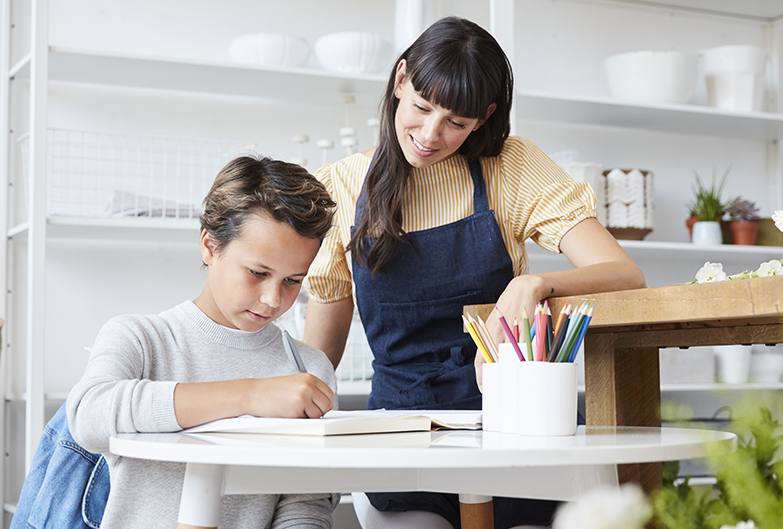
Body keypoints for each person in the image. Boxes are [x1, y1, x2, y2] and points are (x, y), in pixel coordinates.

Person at [302, 16, 646, 529]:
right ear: (400, 82)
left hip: (520, 432)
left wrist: (535, 283)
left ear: (483, 118)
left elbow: (623, 273)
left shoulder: (510, 167)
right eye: (421, 107)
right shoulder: (341, 188)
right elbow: (320, 357)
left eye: (456, 123)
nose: (430, 134)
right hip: (403, 441)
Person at [65, 155, 340, 529]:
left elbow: (305, 501)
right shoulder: (141, 339)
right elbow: (88, 415)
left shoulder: (309, 369)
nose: (274, 299)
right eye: (258, 273)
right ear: (210, 246)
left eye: (293, 280)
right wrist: (249, 396)